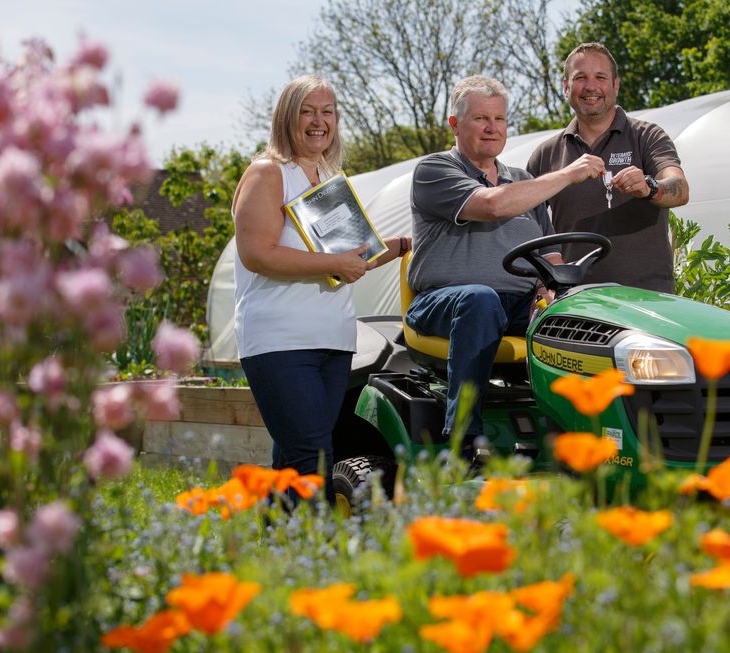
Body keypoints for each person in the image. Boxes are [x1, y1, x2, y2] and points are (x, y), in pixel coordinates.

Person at [231, 75, 409, 505]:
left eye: (327, 112)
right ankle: (317, 556)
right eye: (308, 111)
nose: (319, 121)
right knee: (312, 456)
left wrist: (402, 245)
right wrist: (335, 262)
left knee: (298, 459)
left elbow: (354, 256)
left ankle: (278, 552)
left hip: (333, 338)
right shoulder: (269, 173)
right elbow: (257, 254)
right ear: (286, 118)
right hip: (280, 341)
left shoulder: (328, 177)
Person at [407, 75, 605, 447]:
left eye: (499, 119)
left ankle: (588, 438)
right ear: (454, 124)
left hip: (517, 304)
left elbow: (551, 253)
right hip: (445, 303)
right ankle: (463, 440)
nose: (492, 128)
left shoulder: (522, 180)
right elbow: (492, 204)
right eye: (481, 119)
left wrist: (550, 291)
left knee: (586, 310)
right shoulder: (435, 171)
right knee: (479, 300)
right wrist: (568, 173)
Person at [527, 42, 689, 293]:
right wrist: (541, 286)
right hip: (574, 302)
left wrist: (650, 186)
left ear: (615, 84)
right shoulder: (545, 155)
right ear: (566, 86)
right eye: (580, 77)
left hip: (646, 299)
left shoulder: (646, 136)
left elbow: (679, 188)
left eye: (600, 77)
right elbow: (529, 231)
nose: (591, 86)